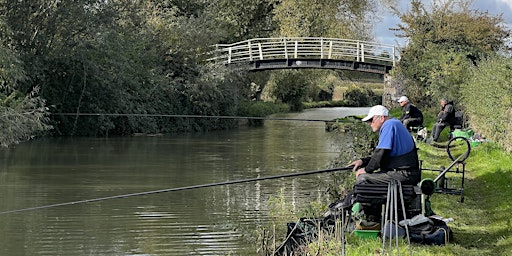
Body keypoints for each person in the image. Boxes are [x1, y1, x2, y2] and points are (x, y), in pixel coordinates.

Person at [349, 105, 420, 185]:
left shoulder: (389, 125)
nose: (370, 123)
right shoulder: (395, 123)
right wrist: (362, 161)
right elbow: (382, 156)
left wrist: (366, 170)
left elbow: (380, 153)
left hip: (405, 174)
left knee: (363, 178)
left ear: (382, 118)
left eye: (371, 120)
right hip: (405, 172)